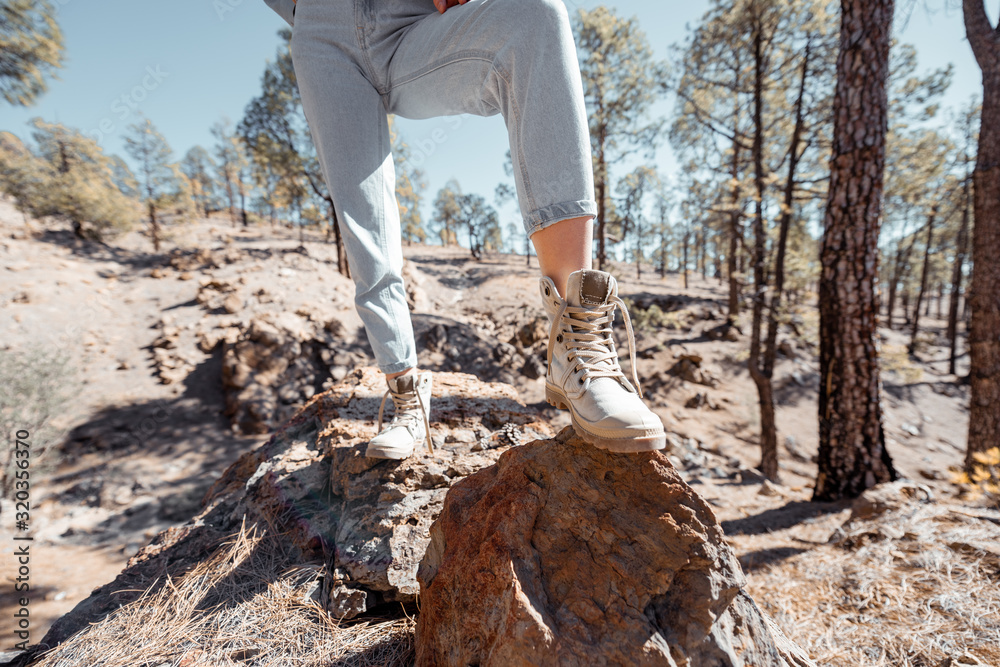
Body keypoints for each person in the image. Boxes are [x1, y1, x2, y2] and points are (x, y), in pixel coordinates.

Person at [263, 0, 666, 458]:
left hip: (410, 18)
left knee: (534, 18)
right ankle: (406, 395)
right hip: (323, 30)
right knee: (362, 213)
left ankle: (577, 341)